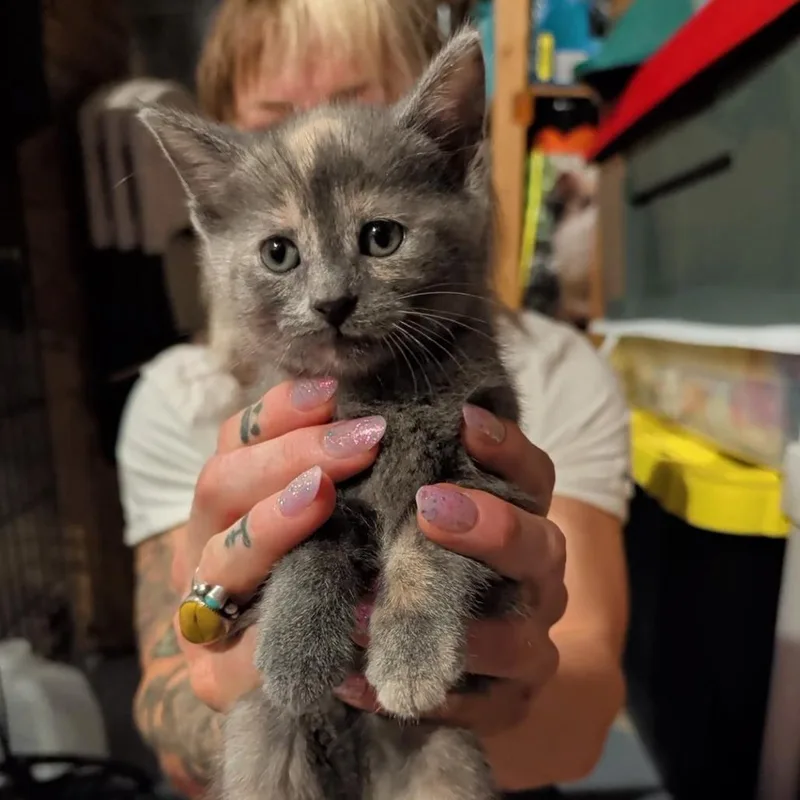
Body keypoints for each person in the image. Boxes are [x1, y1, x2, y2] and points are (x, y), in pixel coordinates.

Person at [118, 1, 631, 797]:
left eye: (378, 234)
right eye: (281, 250)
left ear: (447, 146)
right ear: (220, 211)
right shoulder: (171, 398)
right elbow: (167, 718)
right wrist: (215, 642)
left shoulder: (560, 369)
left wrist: (504, 669)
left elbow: (589, 713)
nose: (328, 293)